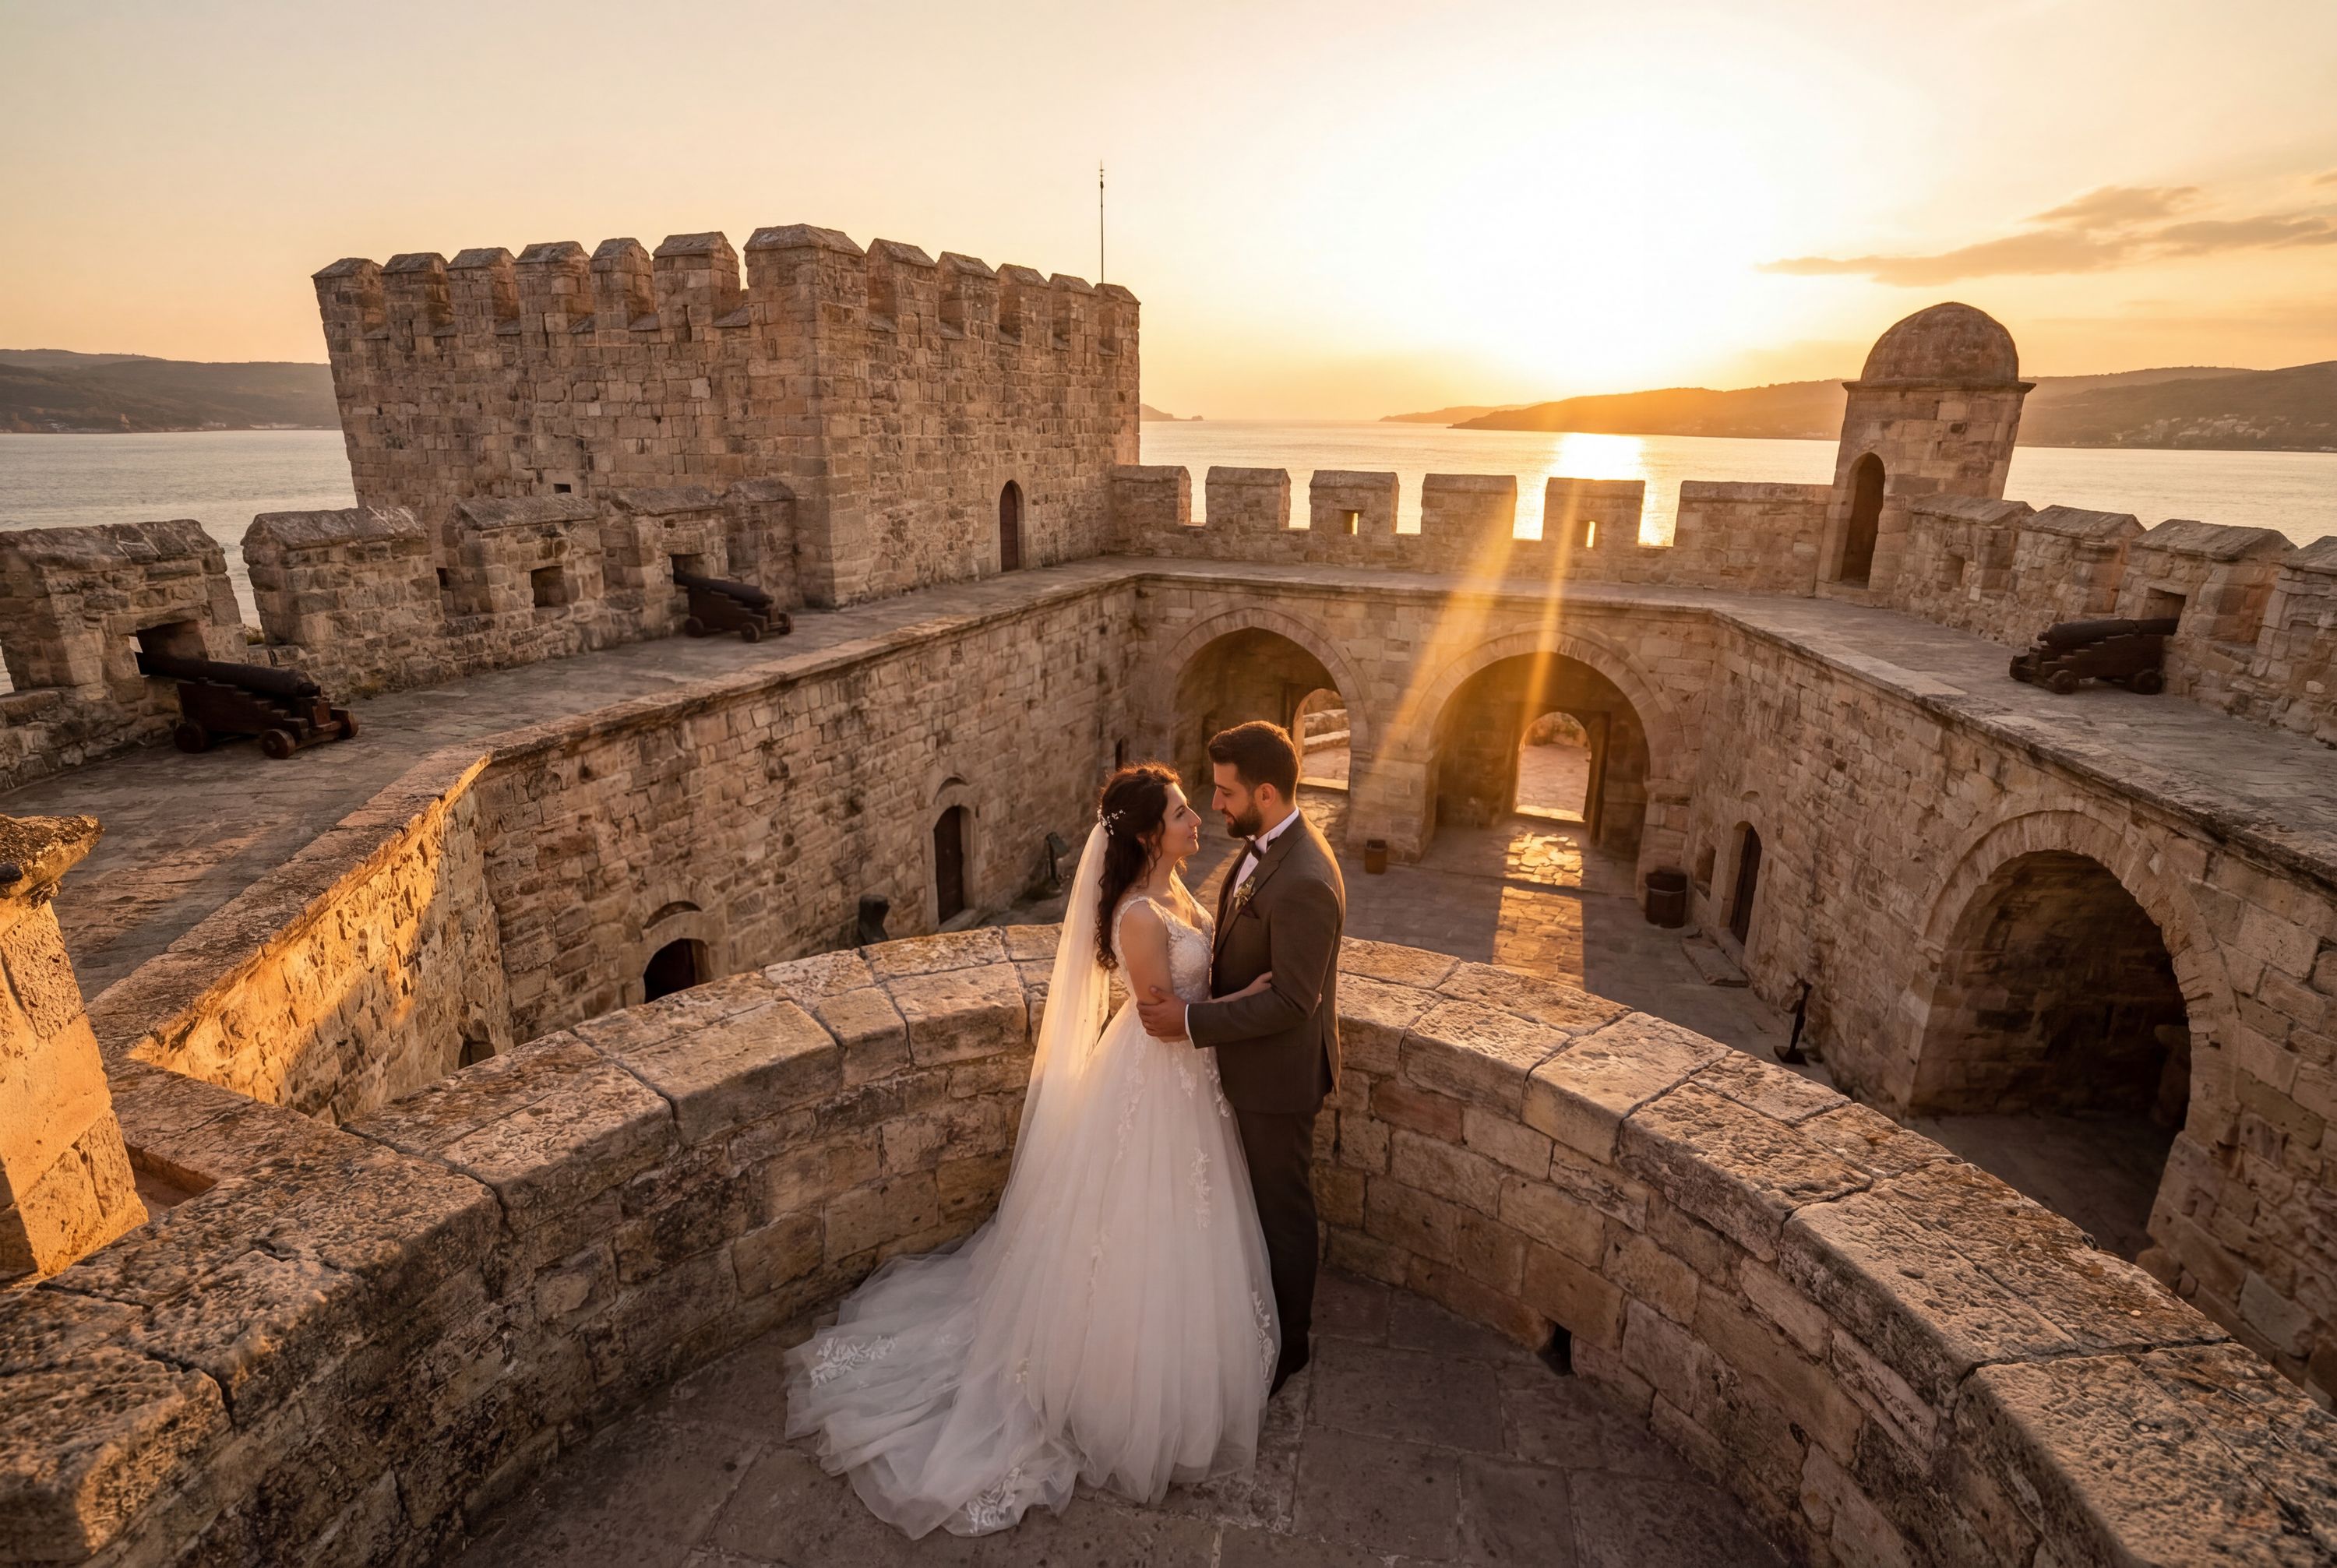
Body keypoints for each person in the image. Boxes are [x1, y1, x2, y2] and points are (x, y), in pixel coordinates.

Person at [783, 764, 1278, 1538]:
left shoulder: (1177, 892)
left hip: (1191, 1087)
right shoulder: (1141, 916)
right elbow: (1159, 1016)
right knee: (1134, 1227)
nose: (1197, 822)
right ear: (1151, 833)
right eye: (1183, 813)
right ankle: (1116, 1388)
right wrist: (1254, 1001)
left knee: (1185, 1224)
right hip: (1155, 1080)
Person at [1137, 720, 1346, 1396]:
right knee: (1253, 1207)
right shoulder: (1262, 849)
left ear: (1264, 790)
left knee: (1281, 1209)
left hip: (1277, 1079)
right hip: (1244, 1066)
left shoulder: (1306, 876)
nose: (1215, 805)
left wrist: (1194, 1019)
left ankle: (1291, 1345)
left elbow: (1292, 1001)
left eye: (1226, 792)